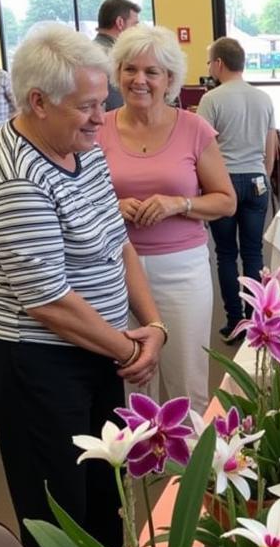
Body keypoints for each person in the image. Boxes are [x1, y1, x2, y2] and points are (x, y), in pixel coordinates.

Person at [0, 22, 166, 547]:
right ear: (38, 102)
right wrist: (129, 350)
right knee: (59, 510)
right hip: (33, 360)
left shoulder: (80, 148)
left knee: (104, 491)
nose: (100, 118)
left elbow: (116, 242)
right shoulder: (12, 175)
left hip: (93, 347)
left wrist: (150, 325)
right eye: (86, 106)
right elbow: (47, 300)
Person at [100, 24, 236, 413]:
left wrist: (180, 204)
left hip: (181, 271)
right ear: (117, 73)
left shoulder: (193, 129)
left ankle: (189, 473)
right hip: (112, 271)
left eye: (151, 72)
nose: (138, 80)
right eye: (129, 69)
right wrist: (113, 206)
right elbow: (78, 200)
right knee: (126, 379)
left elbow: (226, 202)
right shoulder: (97, 129)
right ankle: (131, 472)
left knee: (185, 380)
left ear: (170, 79)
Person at [197, 36, 276, 343]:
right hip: (257, 180)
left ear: (218, 63)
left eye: (209, 62)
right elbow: (271, 146)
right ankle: (257, 319)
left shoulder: (212, 99)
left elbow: (203, 147)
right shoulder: (263, 98)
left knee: (227, 253)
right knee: (254, 252)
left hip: (223, 183)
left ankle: (234, 322)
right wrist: (264, 176)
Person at [92, 0, 141, 110]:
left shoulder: (86, 52)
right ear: (120, 23)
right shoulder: (115, 59)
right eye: (135, 25)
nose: (138, 31)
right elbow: (117, 108)